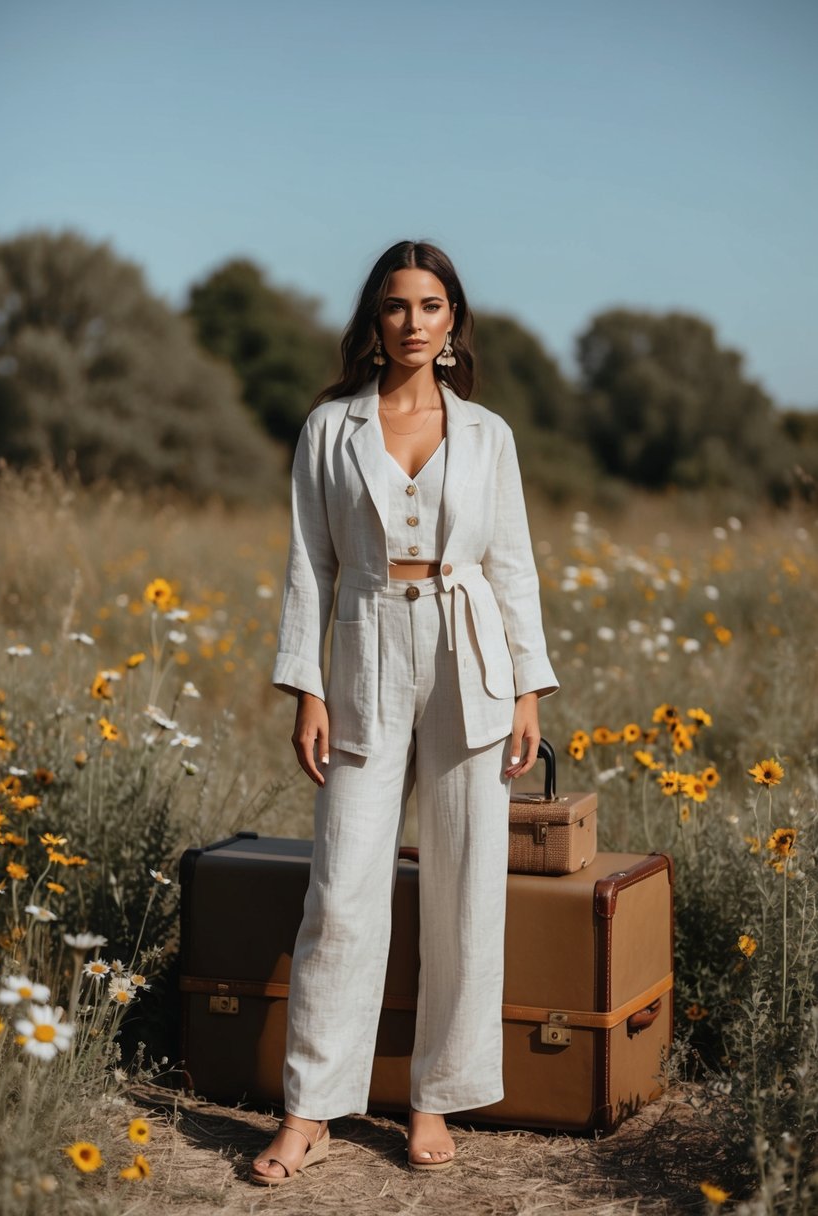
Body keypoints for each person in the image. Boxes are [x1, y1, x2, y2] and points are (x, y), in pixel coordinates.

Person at [250, 240, 559, 1186]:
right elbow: (312, 561)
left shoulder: (489, 434)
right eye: (396, 306)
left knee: (467, 885)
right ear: (374, 321)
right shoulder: (328, 430)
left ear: (452, 322)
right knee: (342, 889)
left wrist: (528, 688)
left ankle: (435, 1097)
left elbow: (510, 565)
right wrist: (305, 683)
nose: (414, 322)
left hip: (471, 654)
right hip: (365, 647)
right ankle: (310, 1109)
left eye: (431, 306)